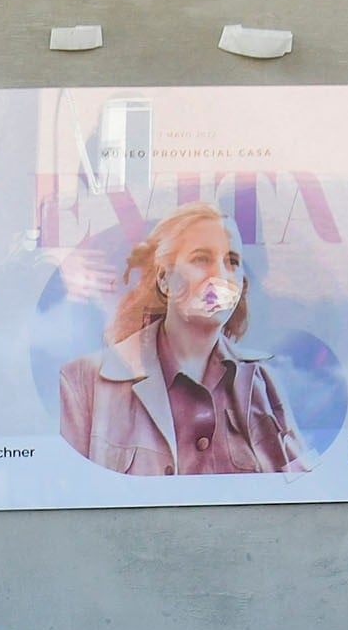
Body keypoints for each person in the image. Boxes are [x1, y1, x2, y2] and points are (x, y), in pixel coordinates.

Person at [54, 203, 308, 475]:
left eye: (232, 261)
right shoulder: (83, 382)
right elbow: (66, 491)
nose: (220, 276)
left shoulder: (263, 383)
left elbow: (305, 491)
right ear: (164, 279)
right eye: (201, 258)